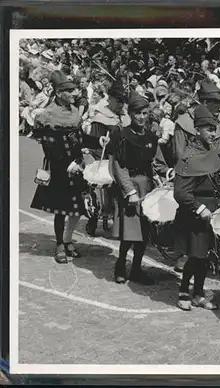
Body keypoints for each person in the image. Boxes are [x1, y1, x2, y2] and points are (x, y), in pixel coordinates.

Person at [174, 104, 220, 311]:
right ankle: (183, 291)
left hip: (213, 211)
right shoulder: (188, 156)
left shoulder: (212, 152)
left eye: (215, 129)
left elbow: (218, 180)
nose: (213, 133)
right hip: (196, 213)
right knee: (195, 255)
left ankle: (198, 293)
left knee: (205, 257)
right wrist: (199, 209)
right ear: (197, 129)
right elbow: (180, 192)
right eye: (209, 129)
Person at [172, 77, 220, 272]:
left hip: (215, 171)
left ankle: (209, 255)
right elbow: (180, 153)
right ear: (204, 102)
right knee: (191, 218)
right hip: (192, 173)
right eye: (215, 102)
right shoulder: (184, 123)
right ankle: (184, 255)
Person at [110, 90, 170, 285]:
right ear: (130, 114)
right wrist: (130, 191)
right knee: (129, 232)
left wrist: (169, 174)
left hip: (148, 187)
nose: (142, 117)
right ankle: (120, 265)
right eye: (138, 113)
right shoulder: (122, 136)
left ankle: (136, 269)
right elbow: (118, 166)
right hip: (131, 187)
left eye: (145, 113)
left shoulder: (151, 138)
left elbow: (158, 162)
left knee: (144, 232)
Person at [30, 70, 86, 264]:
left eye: (73, 90)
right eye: (69, 91)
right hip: (59, 167)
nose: (74, 93)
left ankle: (69, 240)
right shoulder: (48, 115)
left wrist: (97, 140)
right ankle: (60, 245)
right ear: (58, 93)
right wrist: (66, 163)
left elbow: (80, 139)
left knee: (76, 207)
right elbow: (49, 147)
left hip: (77, 164)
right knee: (61, 209)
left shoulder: (74, 112)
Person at [82, 80, 130, 236]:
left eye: (123, 101)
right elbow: (95, 144)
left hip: (120, 159)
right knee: (100, 191)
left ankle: (119, 227)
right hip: (103, 158)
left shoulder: (124, 117)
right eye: (119, 101)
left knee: (120, 193)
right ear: (110, 99)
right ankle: (93, 219)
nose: (121, 105)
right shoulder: (100, 117)